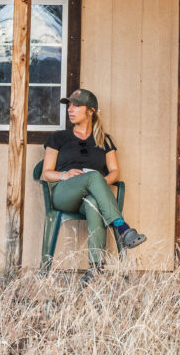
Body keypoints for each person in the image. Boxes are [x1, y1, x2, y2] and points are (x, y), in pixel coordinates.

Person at [42, 88, 145, 282]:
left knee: (94, 201)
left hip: (89, 195)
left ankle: (96, 269)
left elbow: (115, 171)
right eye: (69, 106)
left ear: (90, 111)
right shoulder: (58, 138)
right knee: (94, 177)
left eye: (76, 106)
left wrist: (101, 182)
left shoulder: (104, 140)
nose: (70, 110)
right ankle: (122, 228)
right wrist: (64, 174)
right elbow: (46, 173)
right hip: (64, 193)